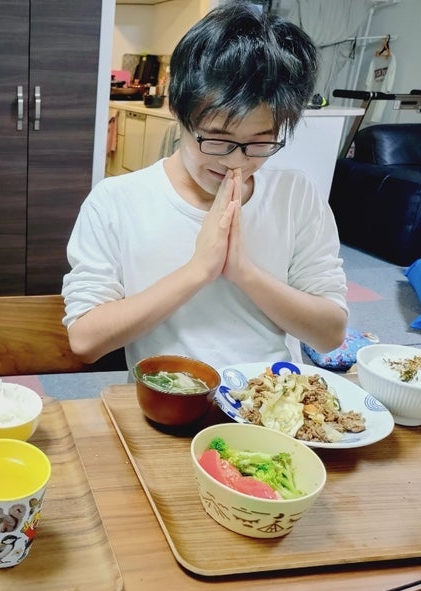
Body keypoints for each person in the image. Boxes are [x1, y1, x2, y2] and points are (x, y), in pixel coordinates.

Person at [61, 2, 348, 373]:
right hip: (172, 398)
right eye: (217, 139)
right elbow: (85, 340)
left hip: (273, 396)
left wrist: (243, 272)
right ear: (177, 110)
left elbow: (330, 334)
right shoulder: (116, 201)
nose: (236, 162)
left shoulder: (295, 196)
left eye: (259, 143)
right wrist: (198, 270)